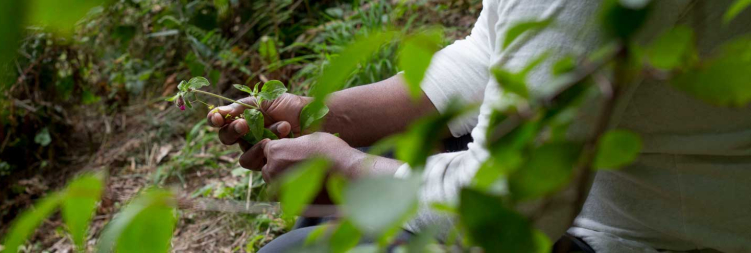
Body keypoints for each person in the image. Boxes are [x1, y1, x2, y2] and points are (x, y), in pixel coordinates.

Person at [207, 0, 751, 252]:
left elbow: (515, 207)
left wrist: (348, 168)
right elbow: (492, 52)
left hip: (648, 237)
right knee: (358, 163)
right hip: (590, 186)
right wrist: (323, 116)